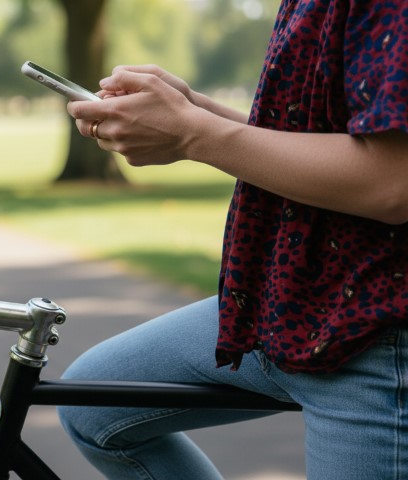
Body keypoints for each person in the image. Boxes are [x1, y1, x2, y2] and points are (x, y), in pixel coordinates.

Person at [58, 1, 408, 478]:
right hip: (286, 308)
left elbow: (392, 180)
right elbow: (321, 136)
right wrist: (193, 111)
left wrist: (193, 134)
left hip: (372, 338)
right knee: (89, 406)